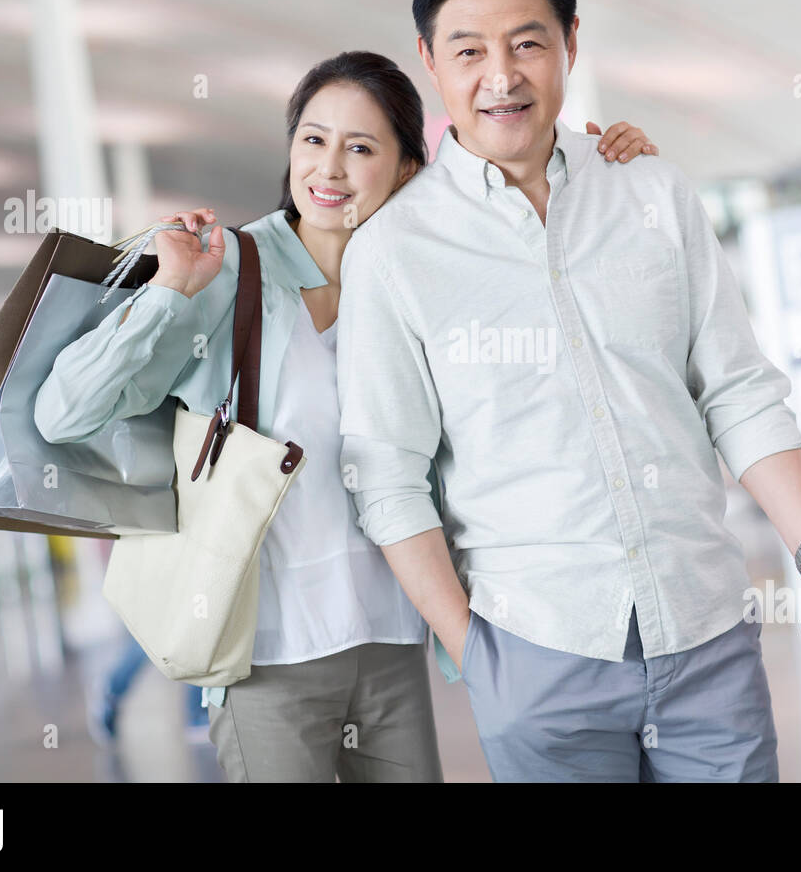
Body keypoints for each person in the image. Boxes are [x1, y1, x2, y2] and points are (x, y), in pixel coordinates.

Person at [336, 0, 801, 783]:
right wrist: (478, 655)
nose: (502, 75)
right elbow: (387, 475)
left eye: (528, 42)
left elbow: (739, 392)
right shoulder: (397, 251)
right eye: (470, 51)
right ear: (428, 60)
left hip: (706, 635)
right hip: (537, 651)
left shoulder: (651, 193)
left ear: (569, 42)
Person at [34, 49, 658, 781]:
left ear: (405, 171)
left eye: (360, 148)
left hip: (394, 646)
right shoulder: (226, 271)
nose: (328, 170)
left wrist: (601, 178)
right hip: (266, 656)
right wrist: (170, 290)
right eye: (313, 139)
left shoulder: (414, 276)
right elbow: (64, 412)